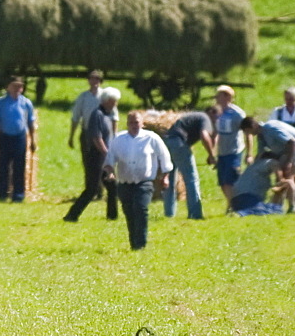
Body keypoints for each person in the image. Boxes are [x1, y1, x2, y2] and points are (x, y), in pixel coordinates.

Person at [102, 111, 173, 251]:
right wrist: (110, 172)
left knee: (141, 209)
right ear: (127, 124)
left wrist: (165, 177)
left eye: (137, 122)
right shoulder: (119, 139)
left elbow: (164, 157)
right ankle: (133, 242)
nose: (134, 125)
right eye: (131, 122)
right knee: (129, 212)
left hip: (144, 182)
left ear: (142, 123)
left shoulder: (151, 138)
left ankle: (141, 244)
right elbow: (110, 158)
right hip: (125, 182)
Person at [63, 86, 121, 222]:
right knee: (92, 189)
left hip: (104, 156)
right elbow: (96, 138)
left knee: (112, 186)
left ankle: (112, 216)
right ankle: (72, 215)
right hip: (96, 156)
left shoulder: (107, 115)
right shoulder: (97, 115)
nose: (115, 104)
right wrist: (106, 153)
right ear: (106, 101)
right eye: (113, 101)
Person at [241, 117, 295, 214]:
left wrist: (289, 162)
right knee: (293, 177)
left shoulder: (270, 128)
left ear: (253, 126)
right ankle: (289, 206)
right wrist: (251, 169)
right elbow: (261, 154)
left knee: (289, 176)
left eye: (248, 131)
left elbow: (292, 142)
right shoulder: (261, 135)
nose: (249, 135)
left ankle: (293, 207)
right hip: (287, 151)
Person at [68, 70, 117, 203]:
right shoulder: (83, 97)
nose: (94, 82)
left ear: (100, 81)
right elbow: (76, 117)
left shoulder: (106, 95)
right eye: (92, 79)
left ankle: (101, 190)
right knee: (89, 163)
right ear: (88, 80)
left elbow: (114, 117)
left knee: (104, 162)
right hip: (87, 134)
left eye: (97, 79)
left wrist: (114, 136)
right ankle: (91, 189)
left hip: (104, 134)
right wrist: (71, 136)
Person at [162, 108, 218, 220]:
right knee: (191, 179)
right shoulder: (204, 117)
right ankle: (195, 214)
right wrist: (212, 156)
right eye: (217, 117)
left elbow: (212, 136)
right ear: (212, 112)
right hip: (179, 144)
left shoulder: (196, 116)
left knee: (171, 180)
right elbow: (204, 135)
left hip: (167, 142)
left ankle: (169, 213)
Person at [0, 78, 36, 203]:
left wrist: (32, 140)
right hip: (5, 136)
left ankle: (18, 194)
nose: (17, 89)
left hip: (19, 137)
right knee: (3, 166)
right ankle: (2, 194)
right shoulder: (1, 102)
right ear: (8, 87)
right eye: (14, 86)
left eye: (19, 86)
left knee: (19, 167)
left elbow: (31, 122)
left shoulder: (26, 103)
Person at [213, 85, 251, 209]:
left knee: (230, 180)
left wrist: (249, 153)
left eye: (219, 95)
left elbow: (247, 132)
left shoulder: (237, 114)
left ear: (227, 97)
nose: (216, 97)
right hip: (222, 151)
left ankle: (233, 205)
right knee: (222, 182)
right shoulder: (217, 112)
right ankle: (233, 203)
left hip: (234, 151)